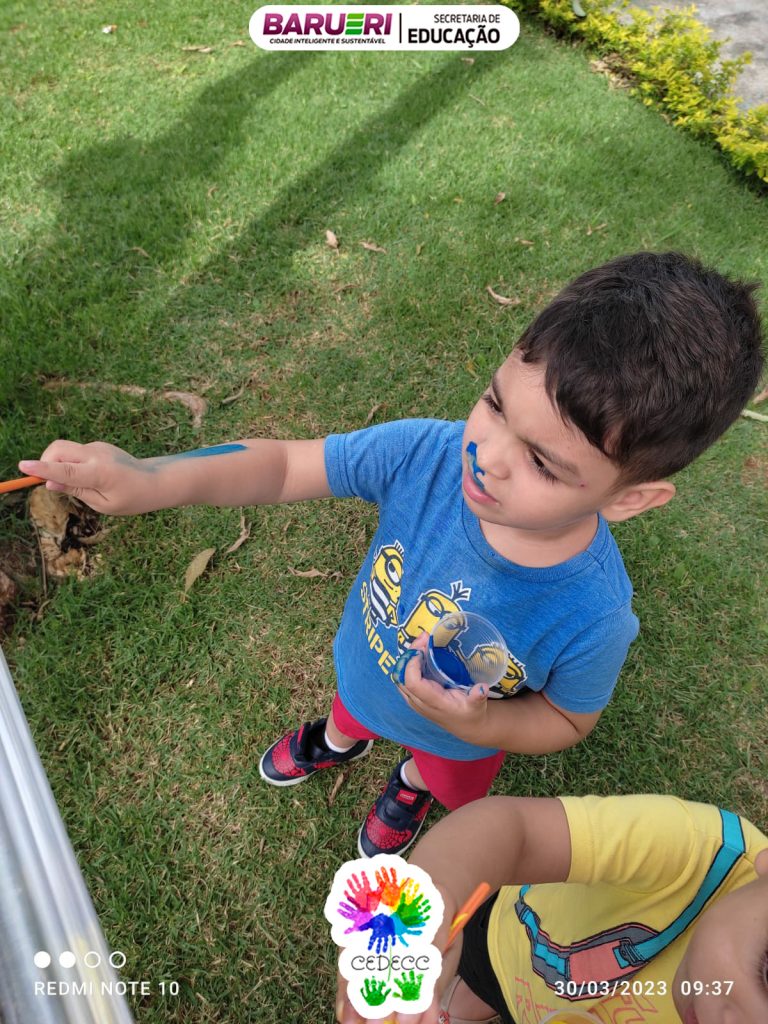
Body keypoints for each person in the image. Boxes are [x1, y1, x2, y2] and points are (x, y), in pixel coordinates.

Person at [19, 252, 763, 859]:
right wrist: (153, 478)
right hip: (366, 664)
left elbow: (568, 720)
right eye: (495, 405)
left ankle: (411, 784)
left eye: (542, 463)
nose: (486, 455)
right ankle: (337, 739)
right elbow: (283, 465)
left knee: (440, 773)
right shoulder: (425, 455)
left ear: (630, 498)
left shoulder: (595, 615)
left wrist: (483, 730)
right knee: (354, 706)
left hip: (459, 740)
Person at [333, 791, 768, 1024]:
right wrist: (434, 896)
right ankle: (469, 1003)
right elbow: (516, 832)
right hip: (504, 942)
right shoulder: (703, 849)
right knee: (483, 984)